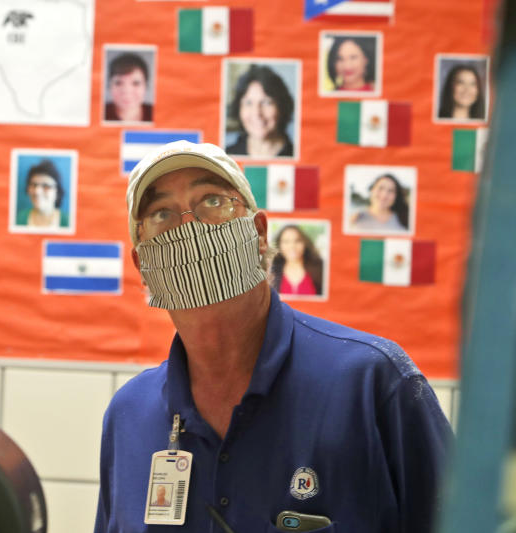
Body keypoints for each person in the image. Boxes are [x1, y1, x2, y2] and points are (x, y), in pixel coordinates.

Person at [94, 140, 452, 532]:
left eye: (212, 201)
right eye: (161, 213)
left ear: (259, 234)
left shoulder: (371, 383)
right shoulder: (128, 415)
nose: (188, 226)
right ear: (143, 265)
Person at [225, 65, 294, 159]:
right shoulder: (226, 156)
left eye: (266, 102)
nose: (257, 113)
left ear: (282, 107)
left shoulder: (297, 156)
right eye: (248, 103)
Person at [270, 224, 323, 296]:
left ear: (304, 243)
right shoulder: (272, 271)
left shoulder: (320, 268)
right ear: (279, 245)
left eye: (297, 241)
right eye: (286, 241)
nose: (292, 246)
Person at [16, 159, 69, 229]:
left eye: (45, 186)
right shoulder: (19, 219)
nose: (37, 191)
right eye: (33, 185)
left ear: (57, 192)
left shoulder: (67, 222)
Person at [104, 52, 153, 123]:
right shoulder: (101, 112)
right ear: (109, 85)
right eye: (118, 83)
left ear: (146, 86)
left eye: (136, 83)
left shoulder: (156, 112)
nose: (127, 91)